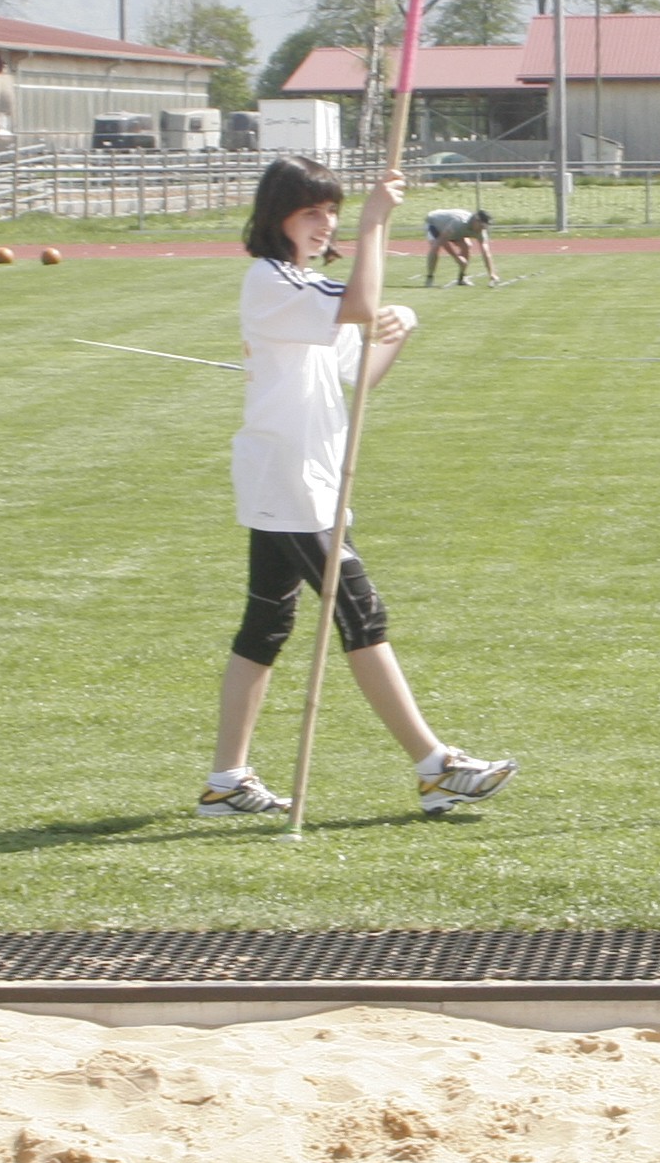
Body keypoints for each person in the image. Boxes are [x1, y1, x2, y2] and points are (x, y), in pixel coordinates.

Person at [197, 156, 517, 821]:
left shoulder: (306, 285)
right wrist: (376, 223)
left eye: (333, 212)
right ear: (276, 216)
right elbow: (360, 304)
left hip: (299, 477)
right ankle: (435, 766)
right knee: (360, 615)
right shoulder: (272, 280)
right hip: (290, 482)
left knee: (266, 625)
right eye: (311, 212)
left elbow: (359, 377)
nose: (325, 224)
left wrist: (400, 331)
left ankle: (226, 781)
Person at [422, 207, 496, 287]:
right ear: (476, 221)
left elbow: (486, 252)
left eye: (484, 228)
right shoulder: (458, 223)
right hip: (435, 224)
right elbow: (442, 241)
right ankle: (430, 277)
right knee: (435, 247)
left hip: (452, 230)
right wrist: (457, 258)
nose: (482, 230)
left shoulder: (480, 230)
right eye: (481, 227)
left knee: (467, 246)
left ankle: (462, 277)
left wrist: (492, 274)